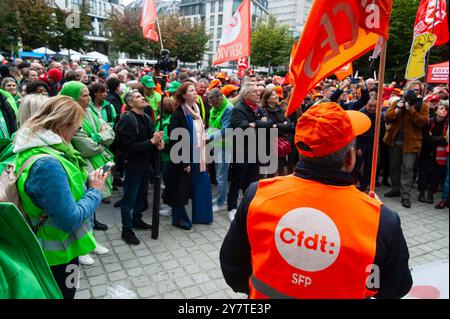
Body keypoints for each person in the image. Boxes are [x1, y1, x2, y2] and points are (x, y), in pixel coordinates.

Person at [220, 102, 413, 299]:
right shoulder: (382, 220)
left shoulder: (257, 194)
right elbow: (395, 288)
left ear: (301, 150)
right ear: (350, 158)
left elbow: (232, 267)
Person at [13, 95, 108, 299]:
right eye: (77, 127)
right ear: (63, 124)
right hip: (56, 257)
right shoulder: (48, 164)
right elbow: (69, 220)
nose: (77, 132)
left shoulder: (34, 147)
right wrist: (95, 190)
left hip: (51, 251)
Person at [116, 89, 164, 245]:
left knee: (141, 198)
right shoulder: (128, 119)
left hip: (146, 166)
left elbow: (151, 140)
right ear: (130, 103)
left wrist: (158, 144)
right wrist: (151, 142)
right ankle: (127, 230)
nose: (143, 97)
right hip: (133, 166)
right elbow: (128, 147)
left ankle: (136, 220)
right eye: (138, 97)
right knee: (129, 199)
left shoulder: (147, 118)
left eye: (142, 96)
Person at [164, 82, 213, 230]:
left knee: (203, 184)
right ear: (184, 95)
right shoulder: (178, 114)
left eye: (195, 90)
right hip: (184, 158)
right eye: (191, 91)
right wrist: (185, 162)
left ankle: (202, 216)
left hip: (199, 154)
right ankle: (178, 218)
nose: (195, 92)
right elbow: (176, 141)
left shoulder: (196, 110)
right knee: (181, 189)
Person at [227, 82, 273, 221]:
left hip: (256, 149)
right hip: (242, 151)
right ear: (246, 94)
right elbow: (244, 128)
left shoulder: (259, 109)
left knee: (252, 182)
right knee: (237, 180)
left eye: (258, 92)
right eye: (254, 92)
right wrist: (260, 123)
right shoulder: (238, 109)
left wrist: (256, 124)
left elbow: (269, 124)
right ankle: (232, 207)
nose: (258, 93)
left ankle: (247, 207)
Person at [383, 84, 429, 208]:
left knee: (407, 169)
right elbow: (387, 116)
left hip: (411, 143)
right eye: (412, 89)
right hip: (394, 141)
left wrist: (411, 110)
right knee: (394, 167)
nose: (414, 92)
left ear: (419, 92)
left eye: (417, 90)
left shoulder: (422, 105)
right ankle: (396, 189)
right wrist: (398, 109)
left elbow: (424, 122)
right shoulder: (397, 102)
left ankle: (405, 195)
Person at [207, 88, 233, 213]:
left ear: (221, 99)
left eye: (215, 103)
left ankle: (221, 202)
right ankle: (220, 197)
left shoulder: (228, 108)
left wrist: (209, 137)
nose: (213, 106)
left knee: (221, 176)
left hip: (224, 146)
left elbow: (225, 129)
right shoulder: (215, 107)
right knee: (219, 174)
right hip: (217, 144)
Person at [418, 100, 448, 204]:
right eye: (441, 109)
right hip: (426, 151)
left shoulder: (447, 124)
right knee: (423, 172)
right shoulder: (429, 121)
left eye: (445, 109)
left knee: (436, 174)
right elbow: (426, 137)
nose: (444, 111)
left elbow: (446, 139)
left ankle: (431, 194)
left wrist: (434, 138)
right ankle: (421, 193)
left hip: (440, 153)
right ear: (435, 111)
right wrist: (441, 137)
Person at [353, 98, 377, 192]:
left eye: (374, 106)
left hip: (371, 143)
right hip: (361, 142)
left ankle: (364, 186)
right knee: (357, 166)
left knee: (369, 166)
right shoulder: (361, 114)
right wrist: (357, 147)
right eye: (370, 106)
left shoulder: (377, 114)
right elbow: (356, 132)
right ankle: (352, 184)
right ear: (366, 105)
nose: (372, 108)